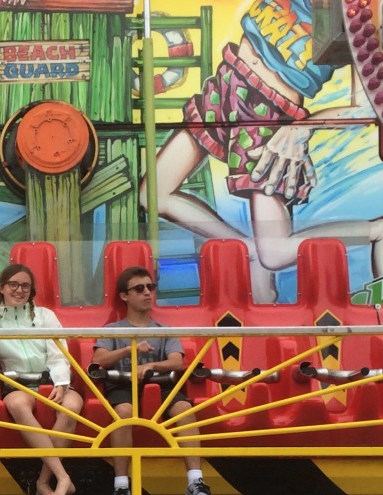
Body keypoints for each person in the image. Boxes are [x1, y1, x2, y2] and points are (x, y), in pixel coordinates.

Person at [139, 0, 383, 302]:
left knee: (275, 254)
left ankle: (375, 230)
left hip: (268, 116)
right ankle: (248, 249)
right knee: (152, 193)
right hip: (228, 84)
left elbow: (363, 107)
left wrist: (301, 128)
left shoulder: (360, 12)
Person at [92, 266, 214, 495]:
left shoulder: (163, 330)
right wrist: (131, 349)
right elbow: (99, 360)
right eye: (140, 288)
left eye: (151, 287)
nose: (148, 292)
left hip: (159, 387)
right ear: (124, 296)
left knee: (185, 410)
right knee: (123, 414)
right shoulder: (112, 330)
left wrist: (152, 366)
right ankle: (121, 487)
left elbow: (177, 361)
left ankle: (195, 482)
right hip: (122, 386)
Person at [0, 264, 81, 495]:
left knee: (72, 407)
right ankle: (63, 477)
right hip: (16, 383)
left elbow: (58, 352)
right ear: (1, 287)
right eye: (13, 284)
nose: (19, 290)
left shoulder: (45, 316)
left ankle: (45, 480)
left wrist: (61, 383)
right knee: (18, 406)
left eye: (25, 286)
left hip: (49, 380)